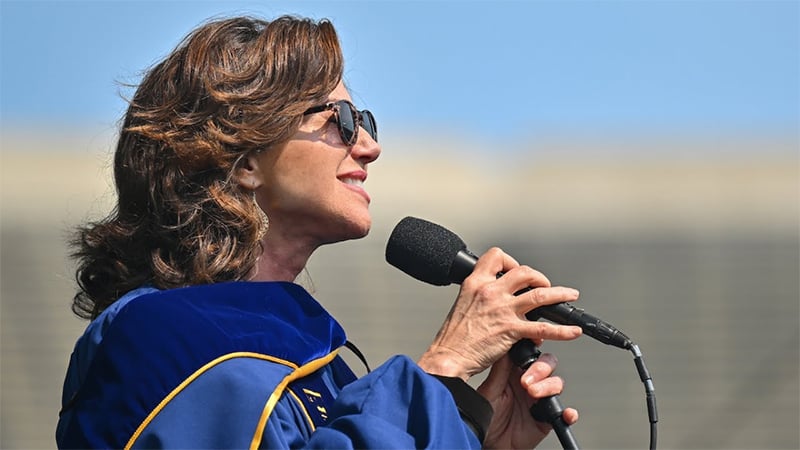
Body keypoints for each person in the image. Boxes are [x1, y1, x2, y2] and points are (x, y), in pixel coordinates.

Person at [56, 15, 583, 449]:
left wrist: (468, 428)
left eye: (366, 122)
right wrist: (443, 371)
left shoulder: (320, 369)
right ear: (243, 158)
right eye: (341, 119)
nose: (369, 147)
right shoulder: (162, 341)